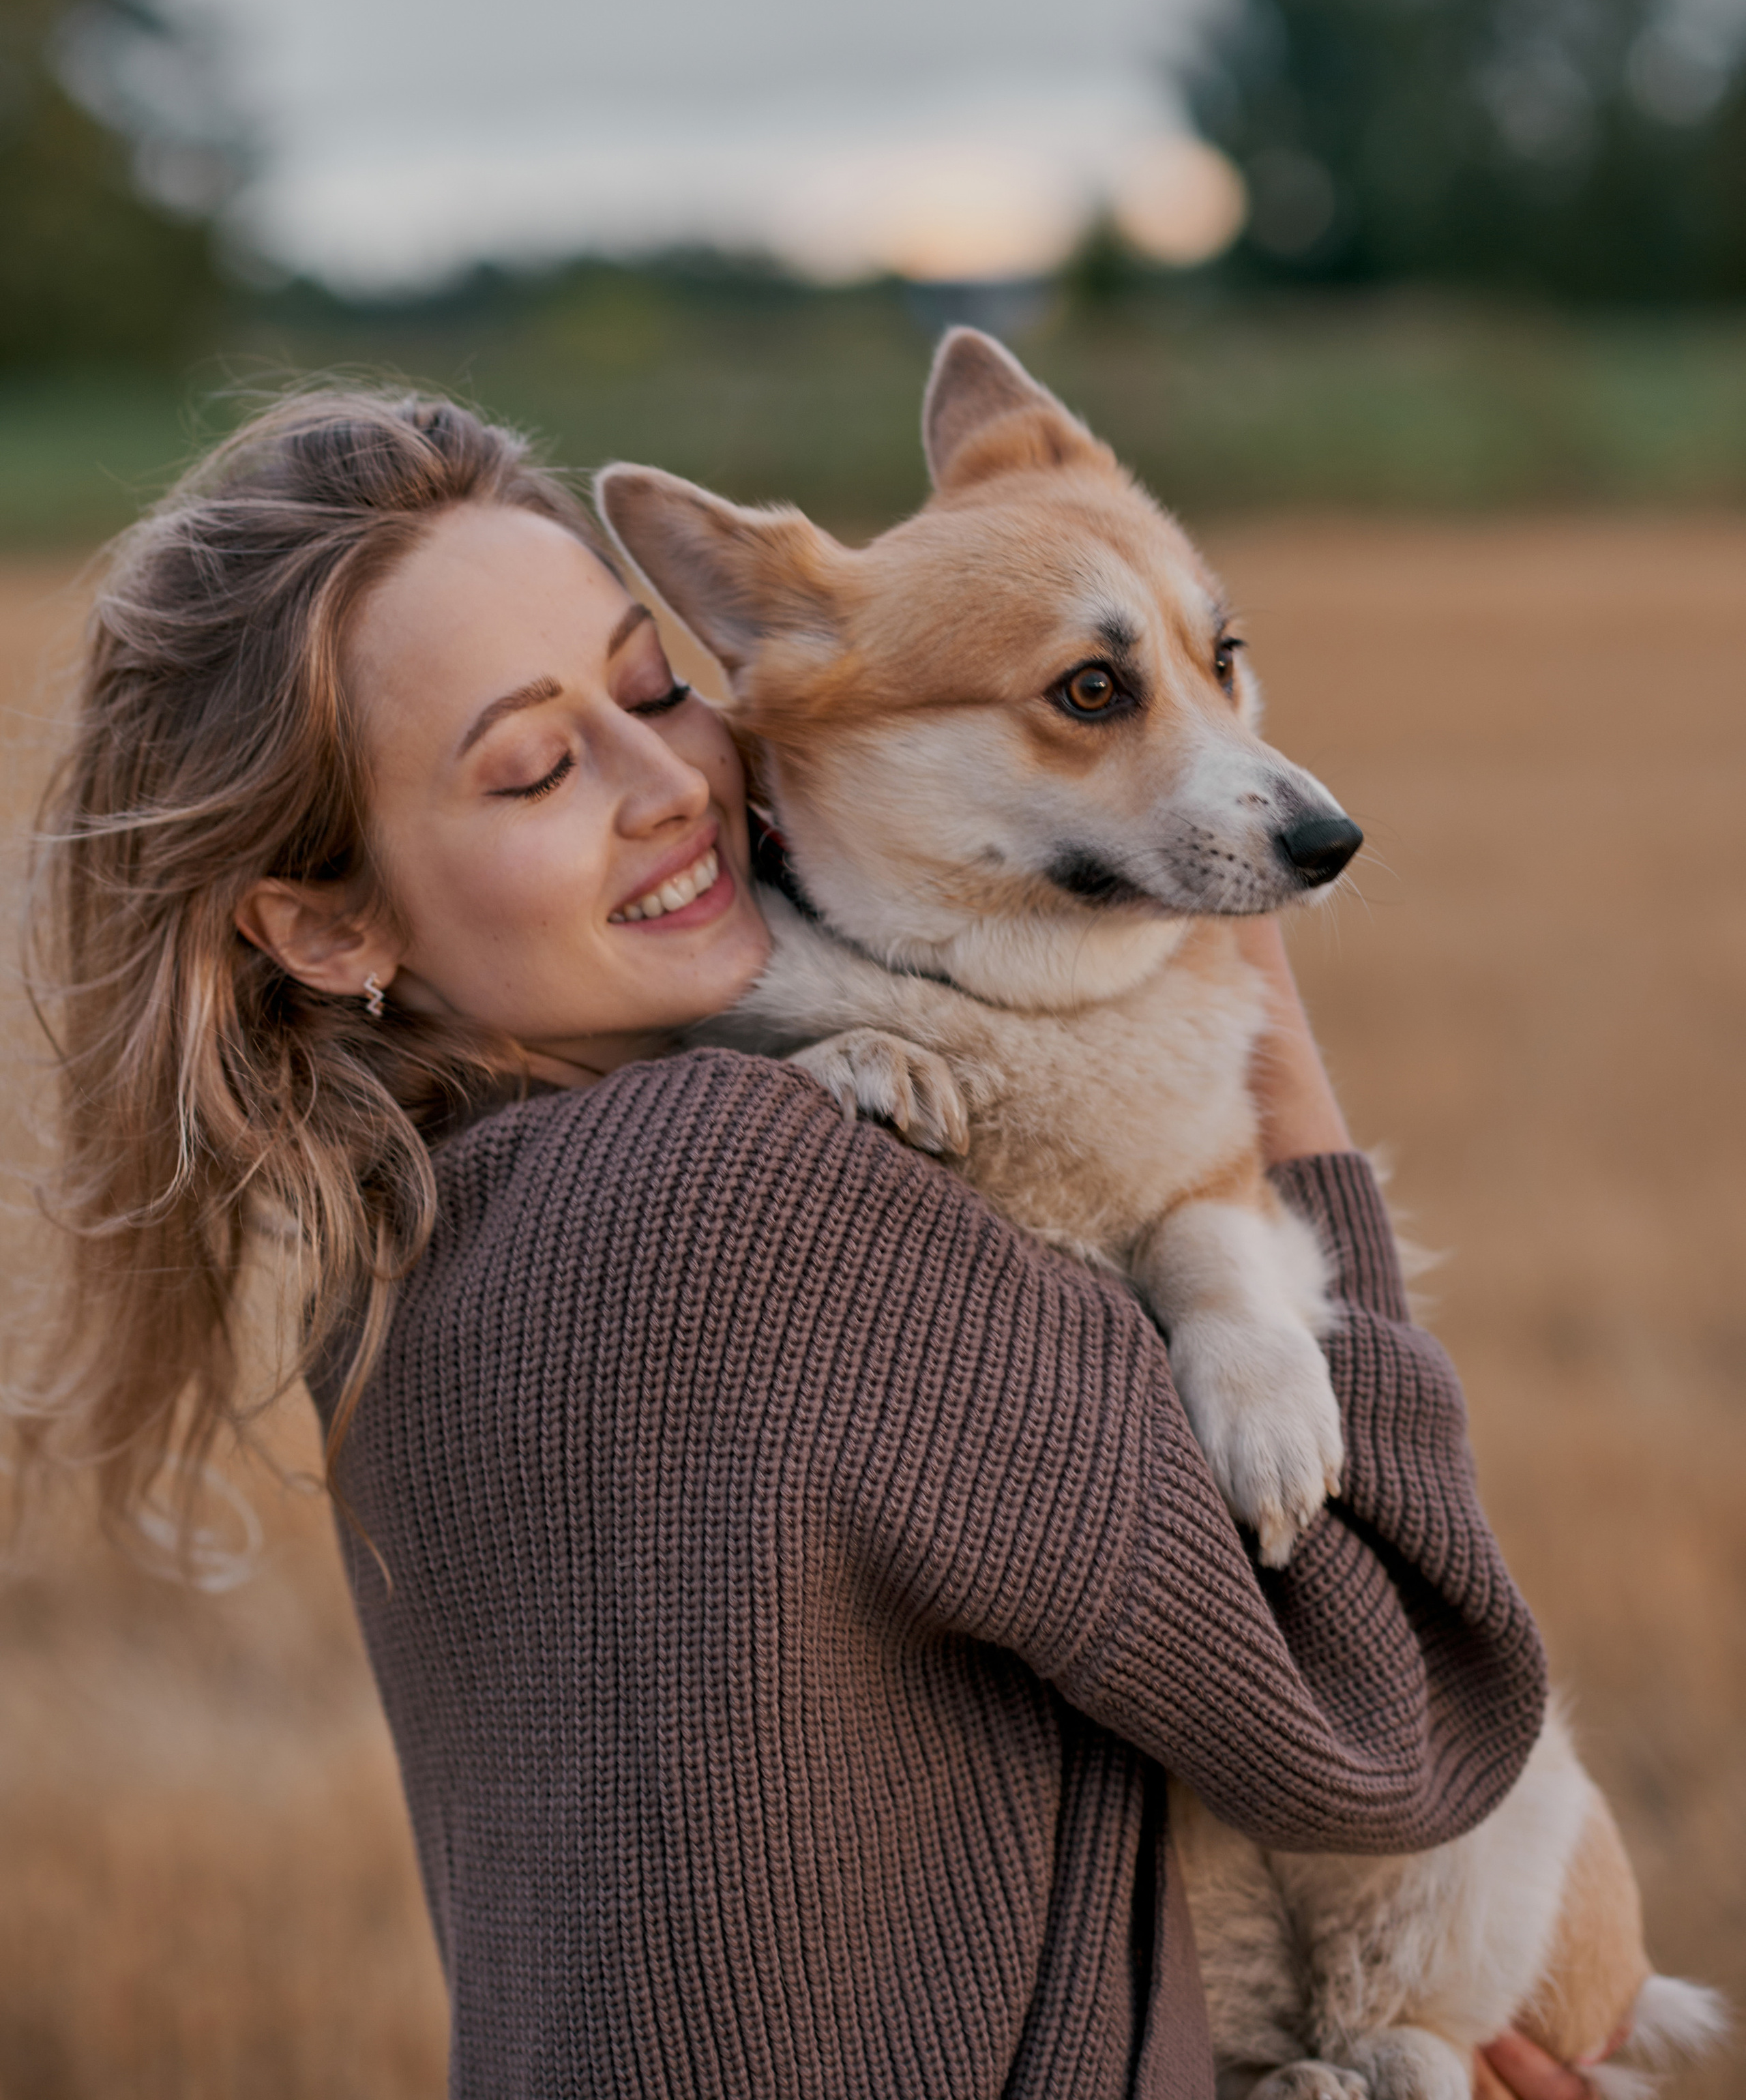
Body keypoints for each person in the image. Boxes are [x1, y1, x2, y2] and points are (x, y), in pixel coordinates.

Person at [22, 390, 1605, 2099]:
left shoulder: (424, 1246)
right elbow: (1389, 1711)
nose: (670, 789)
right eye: (537, 766)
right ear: (326, 924)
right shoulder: (737, 1201)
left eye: (651, 691)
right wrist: (1244, 1002)